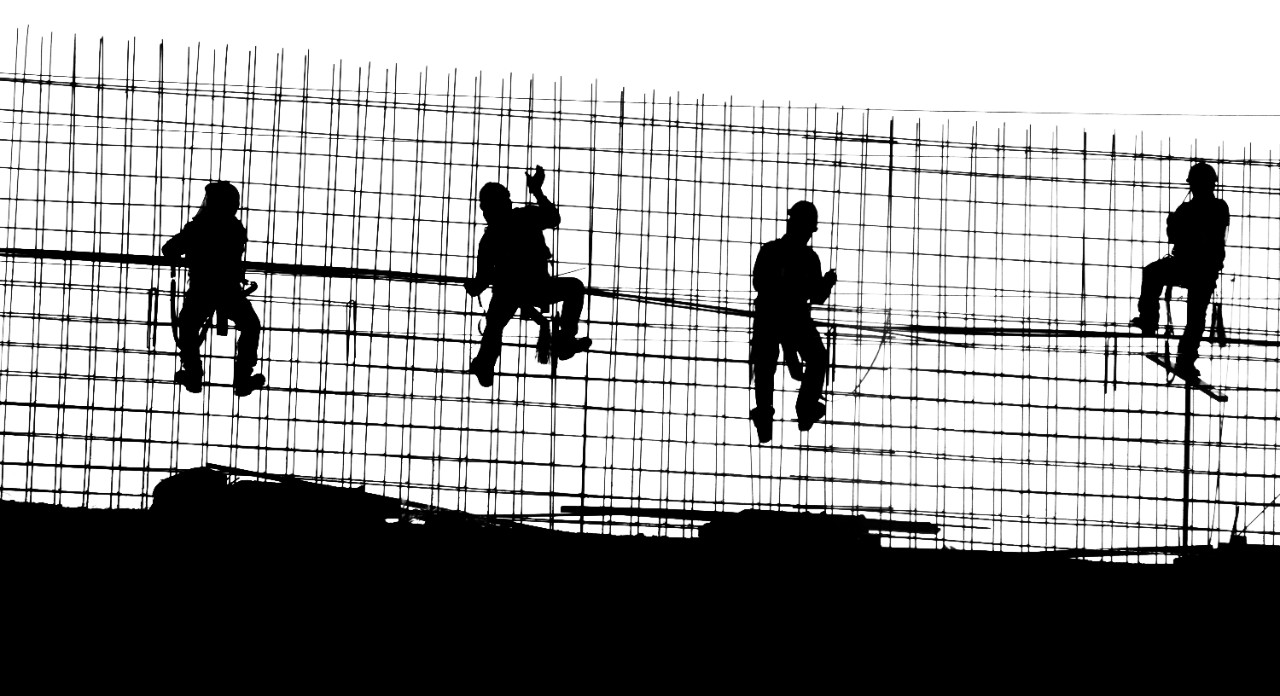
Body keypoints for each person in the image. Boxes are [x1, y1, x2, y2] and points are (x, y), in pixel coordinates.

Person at [465, 166, 591, 387]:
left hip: (512, 290)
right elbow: (553, 218)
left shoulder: (496, 234)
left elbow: (481, 281)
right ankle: (564, 340)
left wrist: (474, 286)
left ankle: (485, 363)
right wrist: (537, 192)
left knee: (495, 325)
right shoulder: (519, 220)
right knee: (574, 288)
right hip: (531, 288)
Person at [163, 181, 265, 396]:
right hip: (228, 290)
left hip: (202, 289)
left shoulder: (199, 227)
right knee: (251, 325)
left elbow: (169, 249)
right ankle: (243, 376)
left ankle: (193, 372)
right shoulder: (235, 228)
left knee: (188, 325)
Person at [1131, 161, 1229, 381]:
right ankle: (1153, 324)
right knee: (1193, 314)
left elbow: (1204, 237)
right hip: (1197, 268)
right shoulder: (1203, 208)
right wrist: (1174, 224)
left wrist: (1177, 224)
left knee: (1194, 316)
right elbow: (1175, 237)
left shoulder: (1211, 208)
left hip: (1198, 267)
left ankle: (1155, 327)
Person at [749, 201, 837, 442]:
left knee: (765, 364)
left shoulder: (771, 250)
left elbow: (758, 283)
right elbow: (817, 297)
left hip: (772, 314)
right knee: (814, 358)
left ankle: (767, 416)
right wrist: (825, 282)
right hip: (792, 315)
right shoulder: (807, 258)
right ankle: (805, 408)